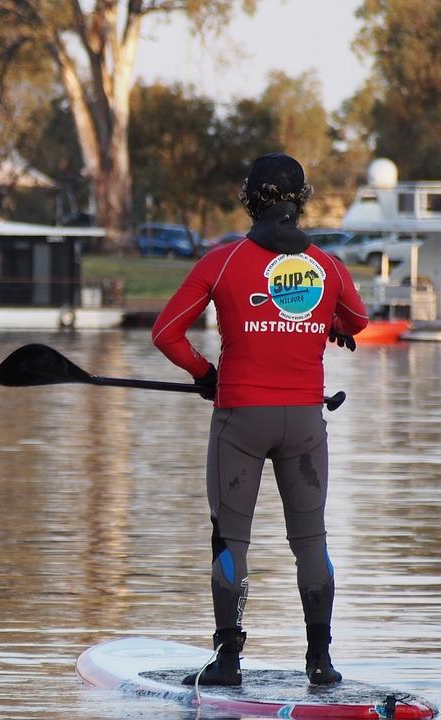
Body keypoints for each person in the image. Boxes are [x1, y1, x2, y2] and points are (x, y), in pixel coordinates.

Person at [151, 152, 368, 687]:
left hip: (241, 419)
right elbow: (358, 320)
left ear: (249, 200)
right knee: (311, 541)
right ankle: (321, 663)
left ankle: (227, 662)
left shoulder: (222, 261)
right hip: (305, 424)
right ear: (303, 200)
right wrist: (328, 323)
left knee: (231, 540)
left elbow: (166, 334)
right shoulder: (327, 264)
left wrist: (206, 374)